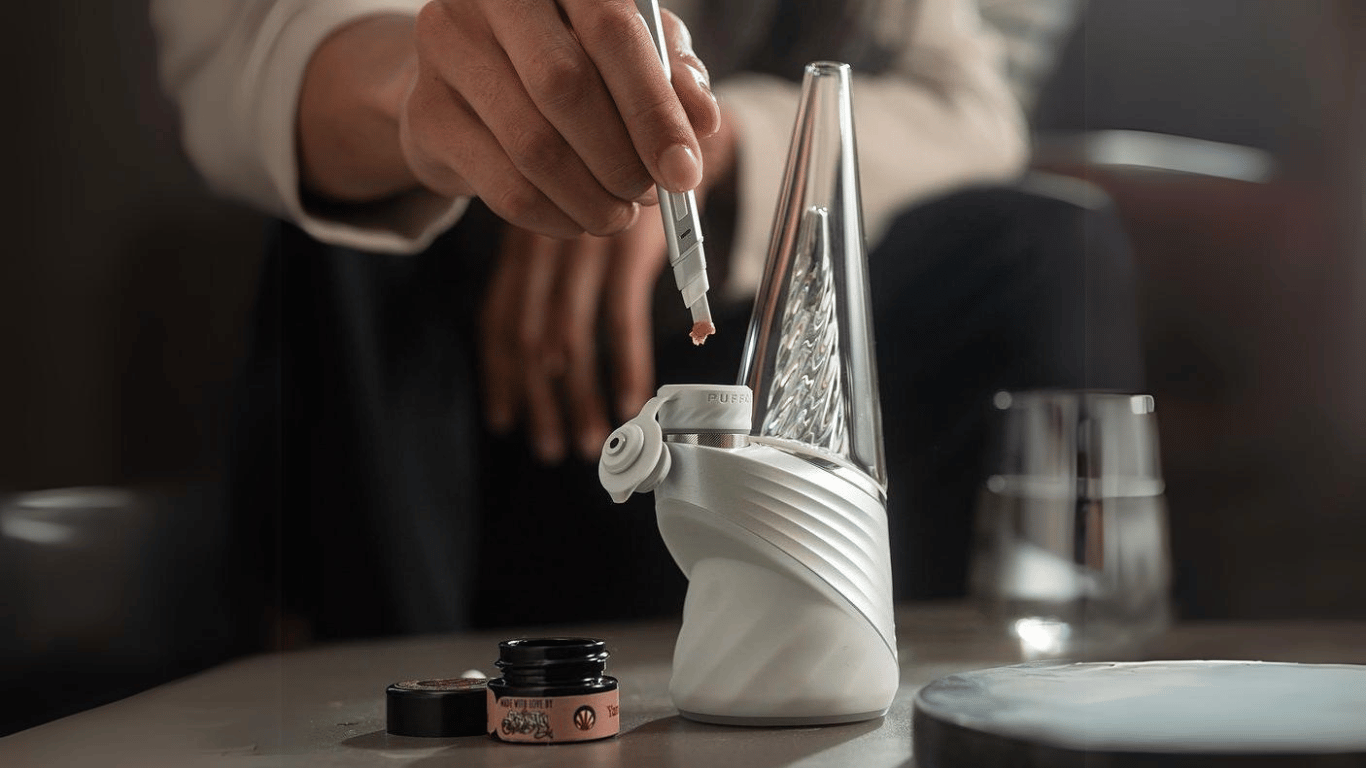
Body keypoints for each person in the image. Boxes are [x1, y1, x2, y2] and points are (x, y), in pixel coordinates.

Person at [151, 0, 1140, 644]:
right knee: (346, 248)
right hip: (479, 391)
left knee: (1044, 248)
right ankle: (394, 694)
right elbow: (241, 63)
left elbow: (972, 115)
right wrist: (446, 114)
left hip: (722, 349)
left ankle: (940, 688)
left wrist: (725, 146)